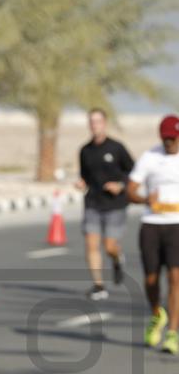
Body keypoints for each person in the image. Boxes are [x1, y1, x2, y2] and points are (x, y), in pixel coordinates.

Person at [127, 114, 179, 355]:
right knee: (151, 279)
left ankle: (173, 333)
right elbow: (130, 190)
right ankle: (158, 314)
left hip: (177, 225)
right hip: (151, 224)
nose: (169, 142)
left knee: (175, 278)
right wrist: (146, 199)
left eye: (173, 138)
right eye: (166, 138)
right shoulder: (150, 157)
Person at [76, 108, 134, 300]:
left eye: (98, 121)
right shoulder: (85, 150)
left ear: (105, 123)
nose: (95, 125)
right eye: (91, 121)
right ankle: (99, 286)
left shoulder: (117, 148)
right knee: (91, 244)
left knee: (109, 246)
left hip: (115, 205)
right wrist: (81, 183)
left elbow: (133, 172)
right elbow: (84, 175)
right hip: (92, 203)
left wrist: (120, 185)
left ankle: (117, 258)